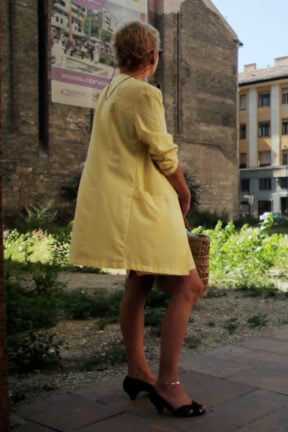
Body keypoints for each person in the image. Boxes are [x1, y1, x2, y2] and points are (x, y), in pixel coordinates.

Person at [69, 22, 206, 417]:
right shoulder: (144, 93)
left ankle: (138, 371)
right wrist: (184, 191)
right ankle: (168, 384)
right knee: (190, 286)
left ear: (119, 55)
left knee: (139, 281)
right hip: (146, 207)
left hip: (125, 207)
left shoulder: (110, 91)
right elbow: (164, 153)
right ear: (152, 57)